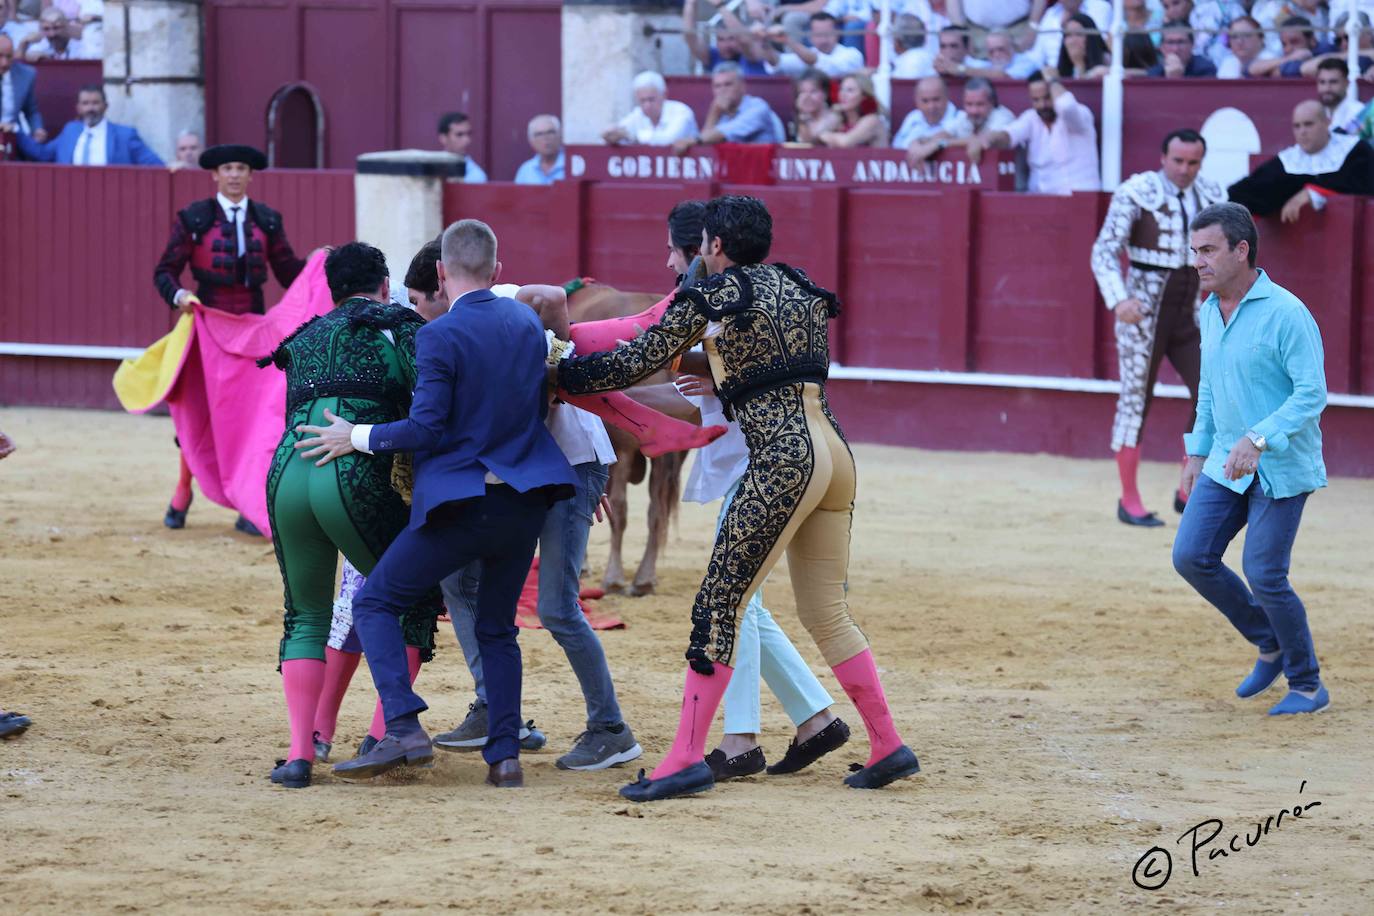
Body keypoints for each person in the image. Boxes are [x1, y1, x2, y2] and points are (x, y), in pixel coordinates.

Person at [557, 195, 920, 802]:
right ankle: (887, 744)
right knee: (826, 612)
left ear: (715, 247)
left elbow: (640, 358)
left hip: (782, 459)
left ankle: (683, 758)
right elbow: (766, 357)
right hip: (834, 453)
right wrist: (718, 367)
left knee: (719, 606)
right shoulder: (798, 286)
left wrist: (563, 378)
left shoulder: (715, 295)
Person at [296, 220, 578, 789]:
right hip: (525, 502)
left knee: (376, 602)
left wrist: (356, 436)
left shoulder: (439, 335)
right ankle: (505, 759)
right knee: (498, 629)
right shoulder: (526, 322)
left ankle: (401, 724)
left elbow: (426, 429)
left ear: (442, 275)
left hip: (462, 504)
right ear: (497, 273)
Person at [660, 200, 851, 780]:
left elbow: (712, 363)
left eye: (674, 247)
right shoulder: (746, 292)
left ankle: (744, 736)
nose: (668, 259)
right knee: (746, 602)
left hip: (761, 456)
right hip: (775, 451)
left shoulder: (717, 297)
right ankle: (813, 718)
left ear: (704, 248)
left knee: (734, 601)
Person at [254, 242, 444, 788]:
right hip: (353, 468)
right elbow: (424, 403)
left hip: (289, 470)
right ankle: (389, 731)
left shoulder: (305, 335)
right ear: (385, 284)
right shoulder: (400, 325)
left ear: (330, 289)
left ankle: (299, 755)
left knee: (305, 615)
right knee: (407, 597)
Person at [1173, 202, 1330, 717]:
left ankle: (1307, 683)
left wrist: (1259, 438)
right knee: (1190, 556)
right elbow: (1210, 390)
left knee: (1264, 571)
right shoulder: (1208, 310)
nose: (1199, 261)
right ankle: (1271, 640)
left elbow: (1311, 394)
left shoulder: (1286, 312)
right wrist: (1197, 452)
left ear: (1242, 250)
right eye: (1195, 250)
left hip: (1280, 464)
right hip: (1225, 458)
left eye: (1209, 250)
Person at [152, 143, 307, 533]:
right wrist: (180, 295)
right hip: (208, 330)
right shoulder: (194, 218)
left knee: (252, 418)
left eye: (241, 168)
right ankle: (183, 489)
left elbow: (290, 273)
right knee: (202, 411)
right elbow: (165, 271)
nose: (235, 174)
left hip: (253, 331)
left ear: (250, 175)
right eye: (228, 168)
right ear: (215, 175)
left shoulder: (267, 220)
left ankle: (246, 499)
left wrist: (323, 268)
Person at [1091, 129, 1223, 527]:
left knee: (1212, 394)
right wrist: (1119, 299)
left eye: (1193, 162)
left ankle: (1187, 490)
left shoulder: (1213, 194)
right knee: (1135, 401)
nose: (1185, 170)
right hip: (1144, 314)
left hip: (1190, 312)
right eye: (1178, 161)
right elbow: (1104, 251)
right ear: (1163, 157)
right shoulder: (1137, 191)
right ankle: (1128, 499)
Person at [1228, 100, 1374, 223]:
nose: (1302, 131)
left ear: (1327, 123)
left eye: (1308, 124)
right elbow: (1246, 192)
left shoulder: (1355, 149)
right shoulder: (1288, 160)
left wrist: (1311, 193)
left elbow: (1360, 181)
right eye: (1297, 126)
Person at [967, 69, 1100, 195]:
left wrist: (1053, 80)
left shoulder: (1081, 114)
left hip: (1079, 201)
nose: (1042, 105)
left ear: (1055, 92)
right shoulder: (1031, 118)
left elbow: (1066, 106)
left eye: (1047, 98)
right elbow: (1009, 135)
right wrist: (986, 139)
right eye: (1036, 100)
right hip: (1039, 200)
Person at [13, 84, 162, 165]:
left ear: (105, 106)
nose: (90, 108)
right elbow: (43, 154)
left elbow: (154, 164)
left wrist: (175, 167)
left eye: (95, 103)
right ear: (78, 108)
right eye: (85, 103)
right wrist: (15, 130)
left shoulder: (125, 135)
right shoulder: (70, 130)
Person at [671, 62, 785, 154]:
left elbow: (726, 133)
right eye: (717, 86)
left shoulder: (758, 107)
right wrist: (715, 113)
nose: (722, 90)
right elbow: (704, 146)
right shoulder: (719, 112)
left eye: (728, 84)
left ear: (742, 87)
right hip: (730, 173)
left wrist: (693, 141)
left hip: (761, 173)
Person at [602, 71, 700, 146]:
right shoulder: (638, 114)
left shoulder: (681, 112)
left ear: (664, 95)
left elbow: (669, 140)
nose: (647, 105)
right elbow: (621, 131)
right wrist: (612, 134)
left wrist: (633, 136)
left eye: (651, 100)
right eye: (642, 101)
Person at [892, 76, 969, 165]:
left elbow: (973, 143)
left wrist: (936, 144)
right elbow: (896, 150)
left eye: (936, 99)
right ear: (916, 100)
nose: (931, 106)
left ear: (947, 97)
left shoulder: (962, 118)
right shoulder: (912, 118)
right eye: (925, 101)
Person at [761, 12, 865, 78]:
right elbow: (777, 62)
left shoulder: (852, 54)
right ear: (810, 37)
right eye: (818, 35)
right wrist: (764, 41)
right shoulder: (805, 54)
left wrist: (788, 40)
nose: (824, 40)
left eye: (828, 34)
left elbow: (830, 69)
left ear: (837, 33)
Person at [683, 0, 769, 76]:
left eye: (731, 39)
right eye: (721, 40)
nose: (726, 45)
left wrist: (720, 5)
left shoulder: (753, 54)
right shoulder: (714, 57)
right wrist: (690, 3)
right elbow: (690, 37)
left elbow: (743, 39)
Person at [816, 72, 889, 148]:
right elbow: (812, 137)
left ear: (864, 96)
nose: (843, 94)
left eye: (850, 90)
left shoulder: (872, 120)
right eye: (841, 89)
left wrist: (823, 135)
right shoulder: (839, 118)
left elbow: (844, 142)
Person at [0, 34, 45, 141]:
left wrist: (37, 129)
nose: (4, 63)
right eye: (0, 56)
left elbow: (31, 110)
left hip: (13, 135)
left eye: (9, 56)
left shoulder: (26, 75)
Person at [1146, 20, 1218, 77]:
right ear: (1161, 47)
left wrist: (1177, 78)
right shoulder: (1154, 73)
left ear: (1192, 44)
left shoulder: (1206, 69)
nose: (1175, 49)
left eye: (1181, 42)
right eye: (1170, 42)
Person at [790, 68, 841, 143]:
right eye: (802, 92)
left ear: (825, 94)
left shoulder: (833, 118)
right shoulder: (801, 117)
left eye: (813, 91)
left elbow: (809, 142)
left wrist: (802, 116)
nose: (807, 97)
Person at [437, 112, 488, 183]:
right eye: (459, 134)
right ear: (443, 138)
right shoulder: (430, 168)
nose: (467, 140)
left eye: (468, 134)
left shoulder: (476, 176)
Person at [514, 115, 564, 185]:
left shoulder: (572, 168)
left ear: (560, 135)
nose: (545, 138)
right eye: (539, 134)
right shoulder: (526, 170)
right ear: (531, 141)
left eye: (550, 132)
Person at [1056, 13, 1109, 79]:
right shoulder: (1061, 71)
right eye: (1068, 35)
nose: (1073, 41)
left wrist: (1080, 64)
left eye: (1079, 34)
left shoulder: (1106, 62)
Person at [1314, 59, 1362, 132]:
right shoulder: (1314, 113)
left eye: (1333, 82)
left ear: (1346, 83)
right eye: (1322, 82)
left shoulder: (1358, 113)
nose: (1327, 88)